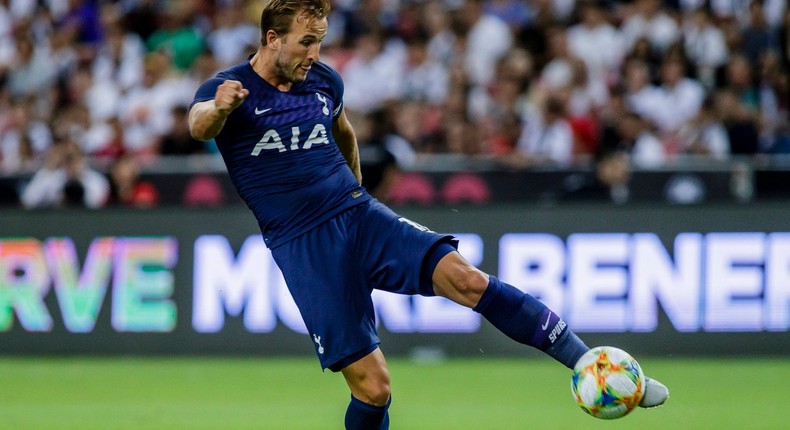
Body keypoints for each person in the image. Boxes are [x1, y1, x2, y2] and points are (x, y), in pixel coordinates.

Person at [188, 1, 669, 428]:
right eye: (306, 42)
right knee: (373, 388)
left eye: (320, 42)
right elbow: (198, 125)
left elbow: (345, 133)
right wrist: (221, 109)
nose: (314, 53)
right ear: (272, 39)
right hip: (303, 243)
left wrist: (358, 196)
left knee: (468, 280)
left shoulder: (323, 81)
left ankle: (592, 365)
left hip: (357, 215)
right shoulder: (227, 88)